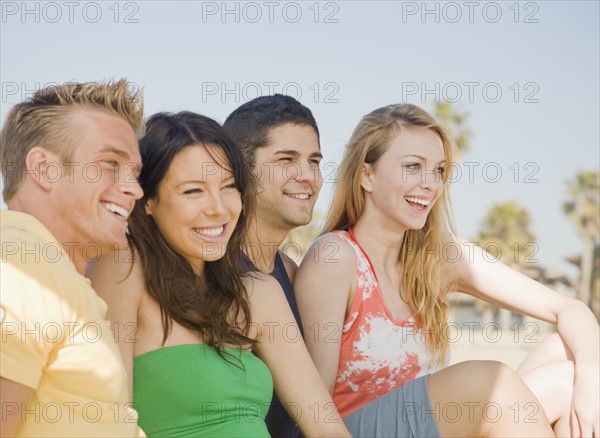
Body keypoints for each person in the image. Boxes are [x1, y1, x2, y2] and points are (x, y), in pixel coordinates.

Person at [293, 103, 598, 437]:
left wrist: (590, 379)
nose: (430, 184)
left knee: (568, 370)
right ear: (367, 174)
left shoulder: (439, 255)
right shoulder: (336, 257)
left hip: (433, 427)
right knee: (489, 382)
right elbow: (312, 410)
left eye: (438, 170)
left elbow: (568, 308)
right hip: (353, 430)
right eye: (412, 166)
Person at [87, 111, 350, 437]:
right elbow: (108, 419)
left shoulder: (259, 293)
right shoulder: (123, 267)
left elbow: (326, 429)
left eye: (228, 186)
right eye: (193, 191)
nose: (218, 208)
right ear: (149, 200)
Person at [0, 80, 145, 437]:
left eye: (135, 173)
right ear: (44, 168)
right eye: (110, 163)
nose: (135, 190)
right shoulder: (24, 263)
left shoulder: (50, 269)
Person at [223, 94, 323, 438]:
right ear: (240, 168)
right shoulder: (214, 272)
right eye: (287, 159)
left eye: (314, 161)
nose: (307, 175)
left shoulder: (293, 273)